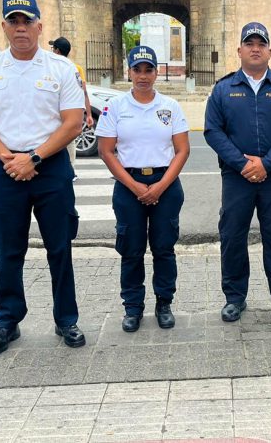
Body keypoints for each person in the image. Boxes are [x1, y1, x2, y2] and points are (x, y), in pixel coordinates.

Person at [0, 0, 87, 356]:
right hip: (5, 170)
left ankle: (66, 319)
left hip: (50, 169)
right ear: (4, 26)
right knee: (7, 249)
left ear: (40, 26)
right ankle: (7, 322)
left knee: (60, 247)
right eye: (13, 22)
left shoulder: (61, 69)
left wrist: (33, 158)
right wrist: (10, 159)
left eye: (27, 21)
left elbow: (73, 122)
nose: (21, 28)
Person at [204, 22, 271, 322]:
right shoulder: (224, 89)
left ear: (270, 51)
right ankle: (235, 298)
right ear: (240, 50)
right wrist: (243, 163)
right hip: (237, 179)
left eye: (261, 44)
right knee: (233, 237)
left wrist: (266, 163)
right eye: (250, 43)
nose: (255, 48)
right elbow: (213, 130)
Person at [95, 46, 190, 332]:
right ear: (129, 72)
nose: (143, 76)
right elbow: (106, 151)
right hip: (128, 185)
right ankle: (133, 307)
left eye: (149, 69)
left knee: (163, 248)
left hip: (166, 184)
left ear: (156, 72)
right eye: (137, 69)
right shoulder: (116, 107)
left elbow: (182, 151)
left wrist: (160, 186)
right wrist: (135, 186)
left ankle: (164, 303)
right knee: (131, 250)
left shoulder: (170, 107)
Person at [49, 36, 92, 181]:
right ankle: (70, 169)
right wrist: (89, 114)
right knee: (69, 141)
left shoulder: (53, 68)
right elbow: (84, 92)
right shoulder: (76, 67)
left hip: (56, 112)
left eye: (53, 48)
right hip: (69, 111)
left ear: (57, 51)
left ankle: (64, 170)